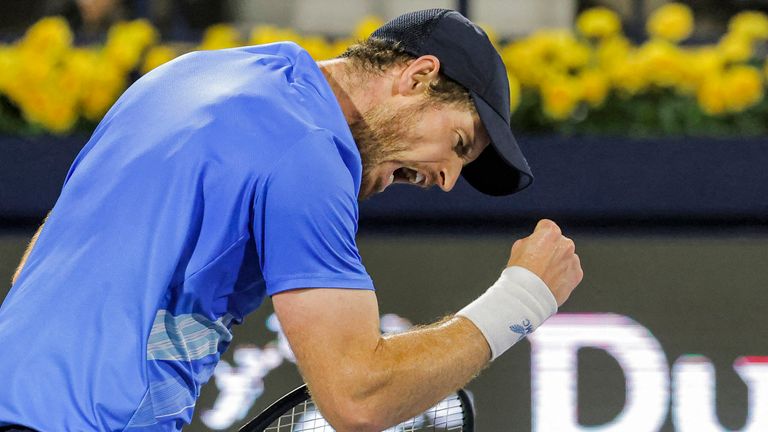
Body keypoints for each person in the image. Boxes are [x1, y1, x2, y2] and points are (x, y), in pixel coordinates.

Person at [0, 9, 582, 431]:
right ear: (417, 76)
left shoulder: (187, 76)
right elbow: (359, 397)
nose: (449, 179)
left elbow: (55, 248)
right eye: (458, 143)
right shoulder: (309, 153)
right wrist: (521, 300)